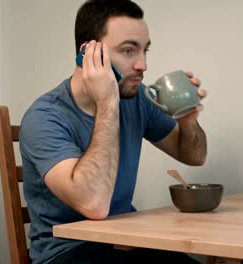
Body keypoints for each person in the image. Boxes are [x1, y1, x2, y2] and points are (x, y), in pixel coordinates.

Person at [19, 1, 207, 263]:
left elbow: (194, 157)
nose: (142, 65)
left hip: (124, 244)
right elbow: (94, 205)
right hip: (68, 254)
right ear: (89, 54)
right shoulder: (44, 117)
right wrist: (107, 102)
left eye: (145, 50)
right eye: (129, 50)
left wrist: (187, 119)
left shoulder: (137, 98)